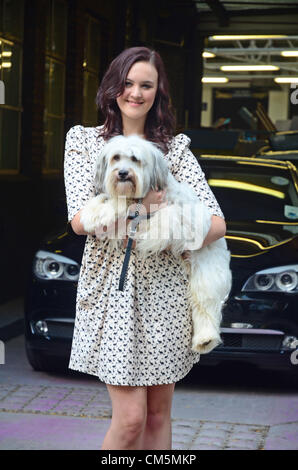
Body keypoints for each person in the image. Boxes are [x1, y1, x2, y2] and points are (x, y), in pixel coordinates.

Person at [64, 46, 226, 450]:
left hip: (167, 291)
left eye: (146, 85)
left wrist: (171, 225)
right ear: (113, 88)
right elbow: (81, 221)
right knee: (131, 420)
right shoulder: (85, 143)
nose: (136, 93)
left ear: (158, 92)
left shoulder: (175, 151)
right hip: (112, 291)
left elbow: (218, 224)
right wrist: (146, 206)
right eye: (128, 83)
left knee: (157, 416)